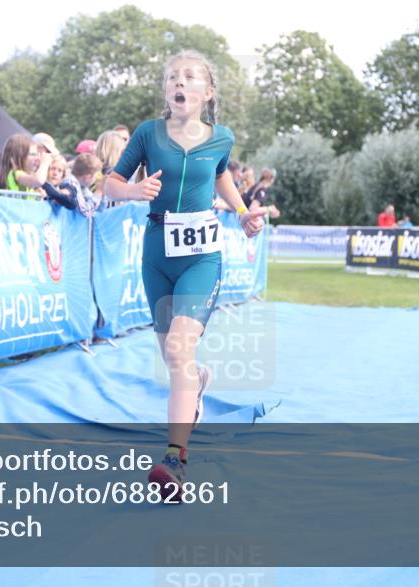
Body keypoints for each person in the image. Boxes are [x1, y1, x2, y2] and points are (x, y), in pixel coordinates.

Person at [103, 50, 266, 501]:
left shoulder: (222, 138)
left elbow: (219, 177)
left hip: (201, 257)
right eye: (173, 76)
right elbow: (108, 184)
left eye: (190, 76)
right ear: (167, 91)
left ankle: (175, 460)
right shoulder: (147, 134)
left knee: (178, 349)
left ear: (206, 93)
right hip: (156, 253)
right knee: (177, 362)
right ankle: (197, 385)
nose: (180, 81)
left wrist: (242, 212)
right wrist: (134, 191)